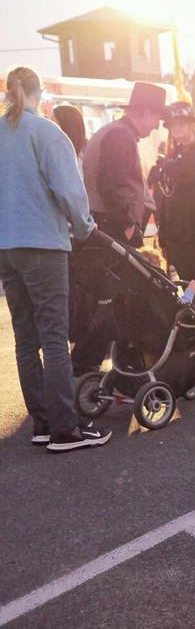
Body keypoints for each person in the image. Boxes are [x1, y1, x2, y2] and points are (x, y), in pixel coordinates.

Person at [0, 66, 111, 452]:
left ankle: (43, 422)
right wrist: (83, 229)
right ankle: (67, 429)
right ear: (39, 93)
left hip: (6, 249)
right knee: (53, 337)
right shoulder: (47, 132)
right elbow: (69, 192)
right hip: (43, 247)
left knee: (26, 339)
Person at [82, 81, 167, 248]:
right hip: (113, 229)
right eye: (157, 118)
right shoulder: (120, 136)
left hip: (108, 226)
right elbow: (111, 186)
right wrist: (128, 225)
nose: (157, 126)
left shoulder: (118, 132)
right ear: (146, 112)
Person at [148, 101, 195, 283]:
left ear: (192, 125)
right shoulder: (172, 153)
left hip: (194, 235)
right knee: (183, 286)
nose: (177, 128)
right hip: (173, 234)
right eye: (173, 124)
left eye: (181, 123)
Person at [52, 103, 87, 176]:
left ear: (64, 124)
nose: (50, 125)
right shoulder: (87, 148)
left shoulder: (61, 151)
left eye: (52, 120)